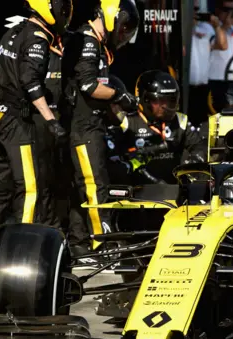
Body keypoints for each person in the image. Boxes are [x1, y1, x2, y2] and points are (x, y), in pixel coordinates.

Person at [0, 0, 72, 271]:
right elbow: (31, 83)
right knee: (30, 189)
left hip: (1, 120)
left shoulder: (13, 30)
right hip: (19, 124)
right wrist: (51, 120)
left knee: (0, 190)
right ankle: (21, 251)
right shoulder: (37, 38)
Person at [62, 0, 140, 256]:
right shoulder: (87, 41)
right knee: (96, 188)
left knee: (82, 189)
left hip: (90, 126)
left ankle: (80, 244)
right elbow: (88, 86)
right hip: (83, 128)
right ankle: (101, 245)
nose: (124, 32)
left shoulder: (96, 42)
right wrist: (120, 95)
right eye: (124, 25)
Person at [113, 70, 204, 185]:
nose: (165, 106)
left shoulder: (180, 121)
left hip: (173, 190)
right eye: (160, 101)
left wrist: (193, 163)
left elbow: (200, 146)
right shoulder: (126, 122)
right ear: (144, 99)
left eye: (170, 101)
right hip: (138, 191)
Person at [188, 0, 227, 125]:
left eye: (197, 9)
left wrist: (217, 26)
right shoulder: (180, 31)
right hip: (186, 88)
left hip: (203, 88)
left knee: (202, 124)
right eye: (192, 9)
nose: (195, 12)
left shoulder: (205, 29)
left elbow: (222, 45)